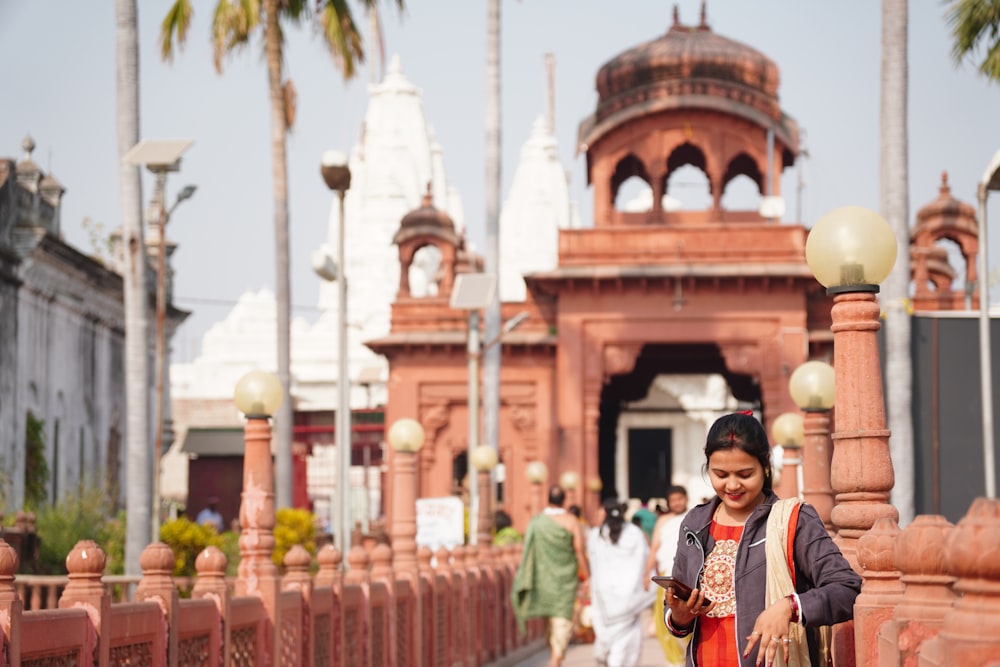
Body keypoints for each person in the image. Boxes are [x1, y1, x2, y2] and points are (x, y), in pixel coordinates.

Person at [663, 412, 861, 666]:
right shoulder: (695, 524)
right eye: (720, 475)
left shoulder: (793, 520)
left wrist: (790, 607)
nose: (732, 485)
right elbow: (676, 608)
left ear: (765, 465)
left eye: (745, 474)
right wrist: (679, 617)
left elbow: (847, 588)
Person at [512, 485, 590, 667]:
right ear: (564, 500)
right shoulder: (571, 521)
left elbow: (528, 551)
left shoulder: (536, 522)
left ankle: (555, 659)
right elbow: (579, 551)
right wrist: (587, 577)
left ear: (548, 499)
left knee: (550, 627)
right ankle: (555, 660)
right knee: (562, 624)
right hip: (565, 582)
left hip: (542, 581)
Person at [587, 498, 657, 667]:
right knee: (627, 640)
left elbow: (594, 564)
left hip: (604, 597)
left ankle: (606, 656)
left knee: (607, 637)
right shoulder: (634, 533)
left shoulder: (596, 535)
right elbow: (644, 560)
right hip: (630, 597)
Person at [643, 485, 691, 666]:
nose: (677, 503)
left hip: (687, 575)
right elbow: (655, 548)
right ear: (669, 502)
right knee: (665, 619)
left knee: (689, 617)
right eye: (673, 500)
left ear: (686, 498)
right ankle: (675, 662)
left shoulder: (695, 516)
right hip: (667, 577)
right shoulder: (663, 521)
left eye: (680, 499)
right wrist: (646, 574)